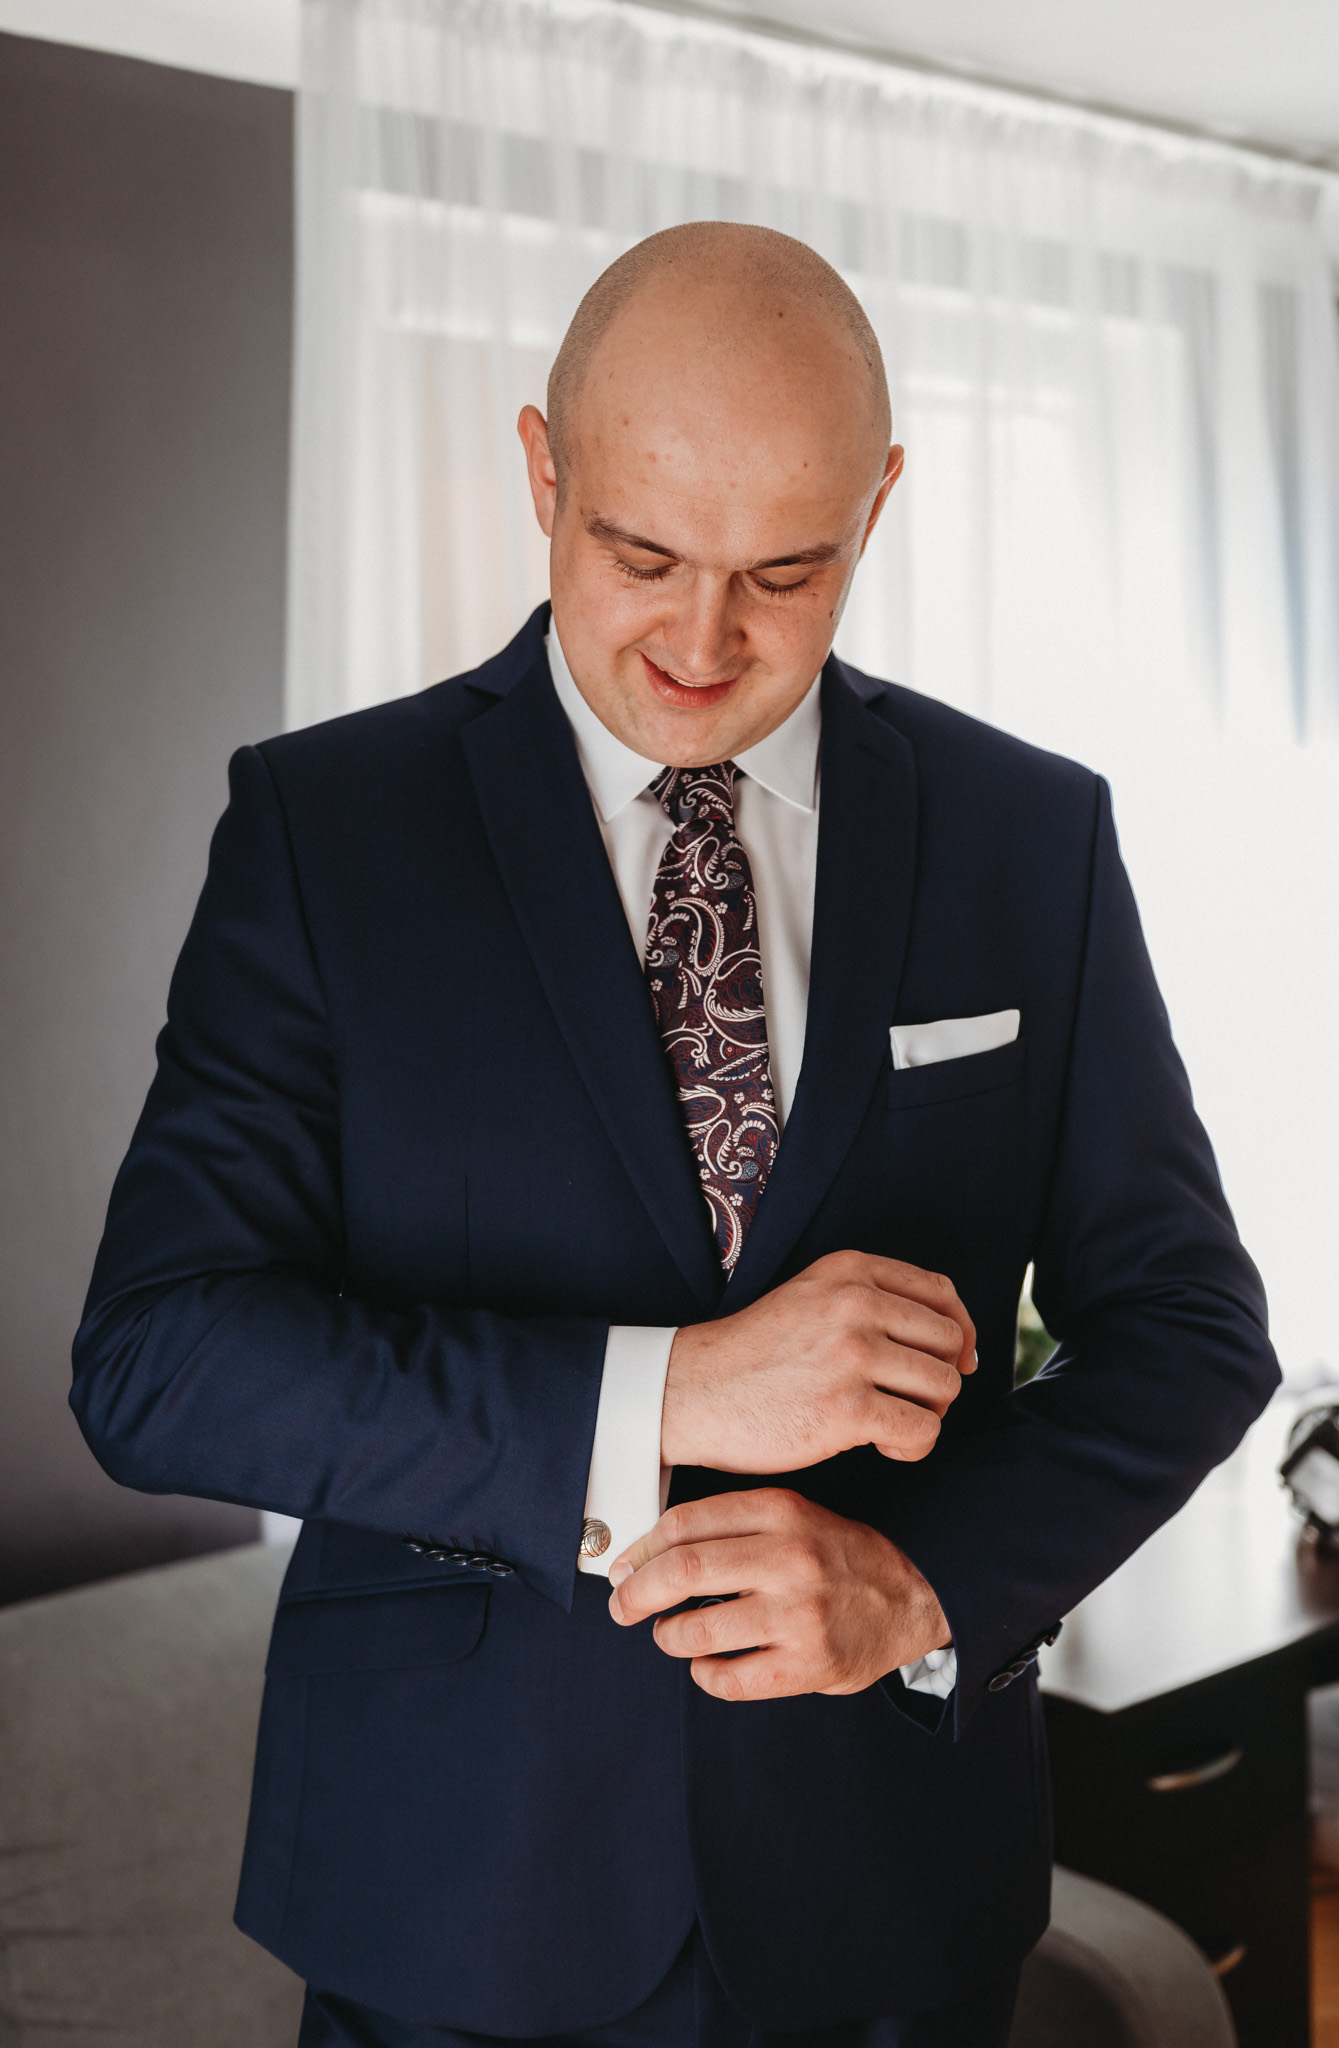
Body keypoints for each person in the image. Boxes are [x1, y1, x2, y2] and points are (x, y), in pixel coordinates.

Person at [71, 222, 1277, 2048]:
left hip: (893, 1904)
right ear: (543, 471)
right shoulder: (328, 832)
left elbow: (1191, 1325)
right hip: (453, 1908)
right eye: (642, 556)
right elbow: (160, 1360)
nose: (704, 645)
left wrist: (920, 1583)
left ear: (877, 507)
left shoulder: (1031, 838)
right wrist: (671, 1395)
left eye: (785, 573)